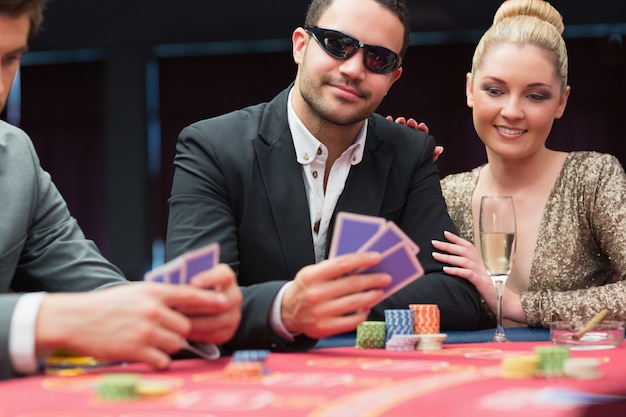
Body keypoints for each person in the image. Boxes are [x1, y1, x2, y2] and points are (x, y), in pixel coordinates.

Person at [165, 0, 481, 353]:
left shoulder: (408, 152)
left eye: (378, 59)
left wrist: (326, 304)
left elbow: (457, 296)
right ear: (300, 45)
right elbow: (194, 302)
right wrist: (288, 308)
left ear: (393, 78)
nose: (354, 69)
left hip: (370, 386)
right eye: (337, 44)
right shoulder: (214, 147)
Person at [0, 0, 242, 380]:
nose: (0, 87)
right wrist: (41, 320)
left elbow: (98, 292)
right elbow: (70, 317)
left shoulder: (14, 156)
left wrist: (176, 313)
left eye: (9, 59)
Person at [429, 0, 626, 328]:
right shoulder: (448, 193)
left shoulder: (591, 179)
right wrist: (403, 178)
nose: (512, 111)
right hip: (473, 375)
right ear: (470, 90)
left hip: (575, 373)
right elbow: (391, 287)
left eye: (536, 96)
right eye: (495, 90)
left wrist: (520, 306)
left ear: (561, 101)